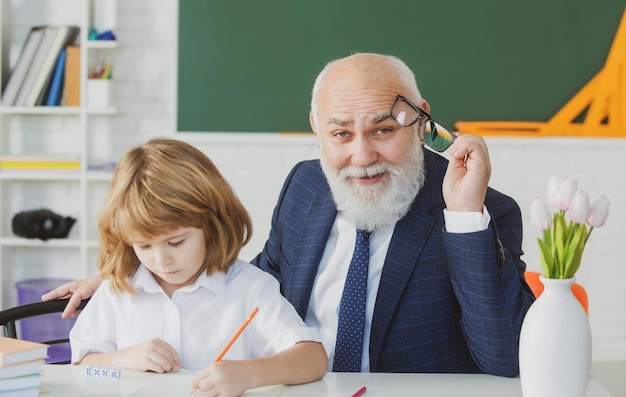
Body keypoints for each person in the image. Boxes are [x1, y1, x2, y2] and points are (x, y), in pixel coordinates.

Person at [46, 53, 534, 378]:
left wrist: (466, 214)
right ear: (317, 130)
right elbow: (255, 283)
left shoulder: (479, 210)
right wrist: (133, 274)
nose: (362, 156)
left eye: (383, 129)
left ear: (421, 120)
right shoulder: (306, 184)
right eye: (341, 134)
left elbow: (508, 360)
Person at [68, 138, 327, 396]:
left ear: (211, 225)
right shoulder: (118, 289)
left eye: (176, 242)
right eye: (144, 246)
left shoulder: (248, 287)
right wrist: (123, 359)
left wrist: (246, 374)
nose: (161, 261)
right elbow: (80, 365)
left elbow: (313, 359)